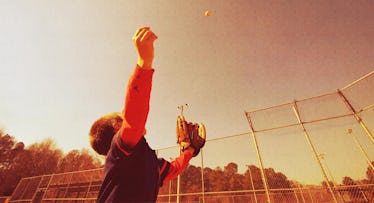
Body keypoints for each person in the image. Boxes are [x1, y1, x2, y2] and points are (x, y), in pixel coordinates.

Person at [89, 27, 204, 203]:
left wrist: (188, 151)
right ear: (117, 127)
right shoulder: (120, 153)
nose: (126, 118)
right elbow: (134, 118)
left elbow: (172, 169)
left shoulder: (146, 161)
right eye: (122, 117)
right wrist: (144, 62)